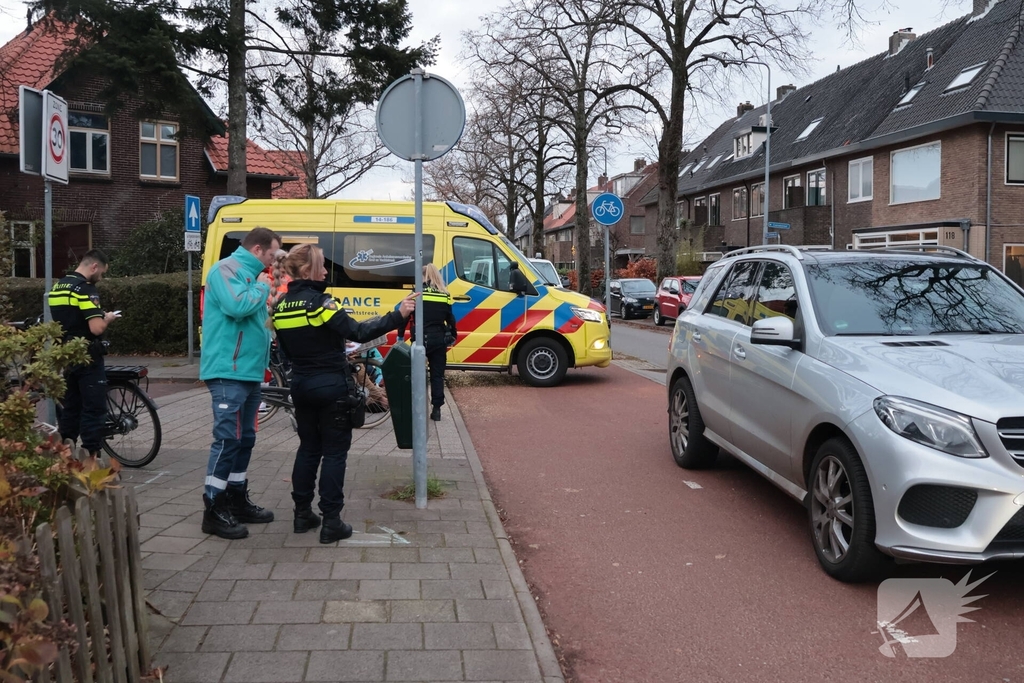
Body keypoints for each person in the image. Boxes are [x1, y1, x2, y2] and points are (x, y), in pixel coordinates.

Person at [272, 244, 417, 543]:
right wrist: (398, 314)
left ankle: (302, 514)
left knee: (308, 449)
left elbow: (286, 352)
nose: (326, 270)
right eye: (322, 265)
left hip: (301, 386)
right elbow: (358, 332)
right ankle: (331, 522)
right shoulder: (322, 304)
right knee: (334, 453)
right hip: (331, 387)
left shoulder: (281, 306)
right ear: (308, 270)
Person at [200, 226, 282, 540]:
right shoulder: (225, 270)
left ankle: (236, 498)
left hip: (247, 371)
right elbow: (237, 307)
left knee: (244, 438)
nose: (274, 261)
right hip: (228, 370)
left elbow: (254, 317)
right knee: (227, 439)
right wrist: (262, 288)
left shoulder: (251, 275)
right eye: (272, 254)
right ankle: (213, 508)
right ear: (258, 249)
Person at [47, 249, 118, 455]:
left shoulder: (58, 286)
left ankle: (66, 451)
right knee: (94, 407)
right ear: (94, 267)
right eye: (102, 273)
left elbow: (71, 317)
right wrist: (107, 318)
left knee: (72, 406)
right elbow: (96, 328)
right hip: (88, 355)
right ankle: (91, 455)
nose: (101, 278)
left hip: (67, 354)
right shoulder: (85, 289)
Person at [397, 263, 457, 421]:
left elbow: (405, 317)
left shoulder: (416, 293)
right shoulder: (444, 295)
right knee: (437, 375)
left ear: (422, 276)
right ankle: (436, 410)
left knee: (415, 374)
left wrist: (400, 336)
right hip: (439, 340)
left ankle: (415, 407)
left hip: (420, 339)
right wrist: (453, 335)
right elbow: (450, 319)